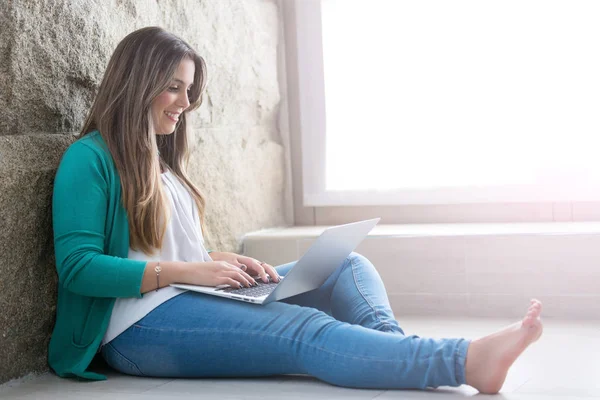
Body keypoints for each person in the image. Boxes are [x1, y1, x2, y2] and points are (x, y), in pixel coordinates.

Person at [49, 26, 543, 394]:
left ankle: (393, 355)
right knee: (304, 332)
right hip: (136, 329)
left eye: (189, 89)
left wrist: (220, 260)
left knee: (346, 265)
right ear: (138, 82)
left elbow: (158, 247)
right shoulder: (88, 158)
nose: (186, 103)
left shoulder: (162, 160)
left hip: (182, 295)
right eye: (175, 87)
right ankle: (462, 362)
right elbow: (79, 268)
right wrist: (191, 270)